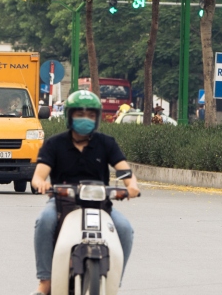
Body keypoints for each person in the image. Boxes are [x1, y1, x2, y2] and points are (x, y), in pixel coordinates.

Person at [31, 90, 139, 295]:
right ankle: (45, 281)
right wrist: (41, 184)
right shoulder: (54, 144)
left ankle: (115, 281)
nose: (85, 119)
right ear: (69, 116)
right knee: (44, 221)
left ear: (97, 118)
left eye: (90, 115)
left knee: (125, 229)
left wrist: (131, 185)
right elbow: (38, 176)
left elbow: (124, 169)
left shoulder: (106, 142)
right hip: (63, 201)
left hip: (99, 203)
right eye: (79, 114)